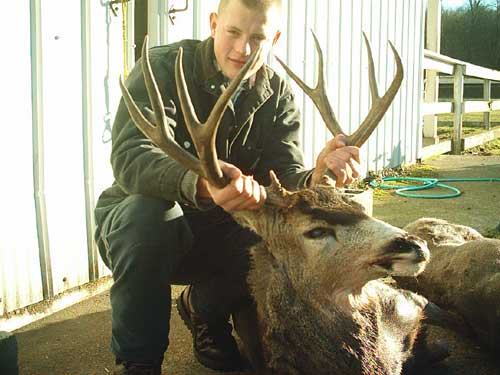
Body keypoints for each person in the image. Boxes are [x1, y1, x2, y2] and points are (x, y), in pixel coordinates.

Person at [94, 0, 361, 374]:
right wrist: (201, 185)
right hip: (144, 233)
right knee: (148, 216)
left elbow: (284, 174)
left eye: (257, 37)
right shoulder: (163, 68)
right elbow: (130, 155)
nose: (243, 49)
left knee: (285, 241)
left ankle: (204, 307)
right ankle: (139, 361)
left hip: (222, 233)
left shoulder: (276, 94)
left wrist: (314, 177)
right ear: (214, 23)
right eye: (233, 33)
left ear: (275, 38)